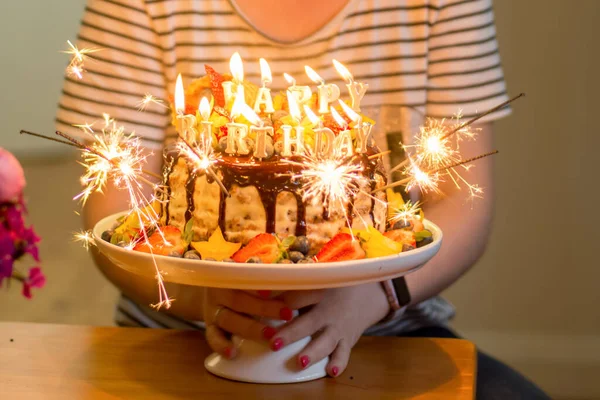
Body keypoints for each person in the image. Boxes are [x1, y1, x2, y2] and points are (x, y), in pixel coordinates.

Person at [57, 0, 549, 398]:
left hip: (392, 334)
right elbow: (114, 209)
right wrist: (206, 296)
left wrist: (373, 295)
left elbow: (466, 207)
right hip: (174, 336)